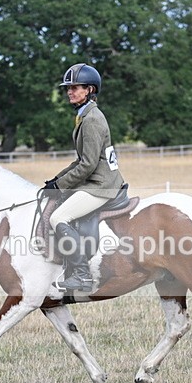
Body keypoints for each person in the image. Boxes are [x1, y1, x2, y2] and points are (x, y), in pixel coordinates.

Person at [42, 63, 126, 292]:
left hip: (101, 185)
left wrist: (60, 185)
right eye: (68, 88)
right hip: (95, 180)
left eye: (75, 87)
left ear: (89, 90)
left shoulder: (91, 119)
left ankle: (81, 274)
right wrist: (55, 181)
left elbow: (88, 165)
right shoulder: (84, 115)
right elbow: (81, 160)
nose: (70, 91)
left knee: (58, 218)